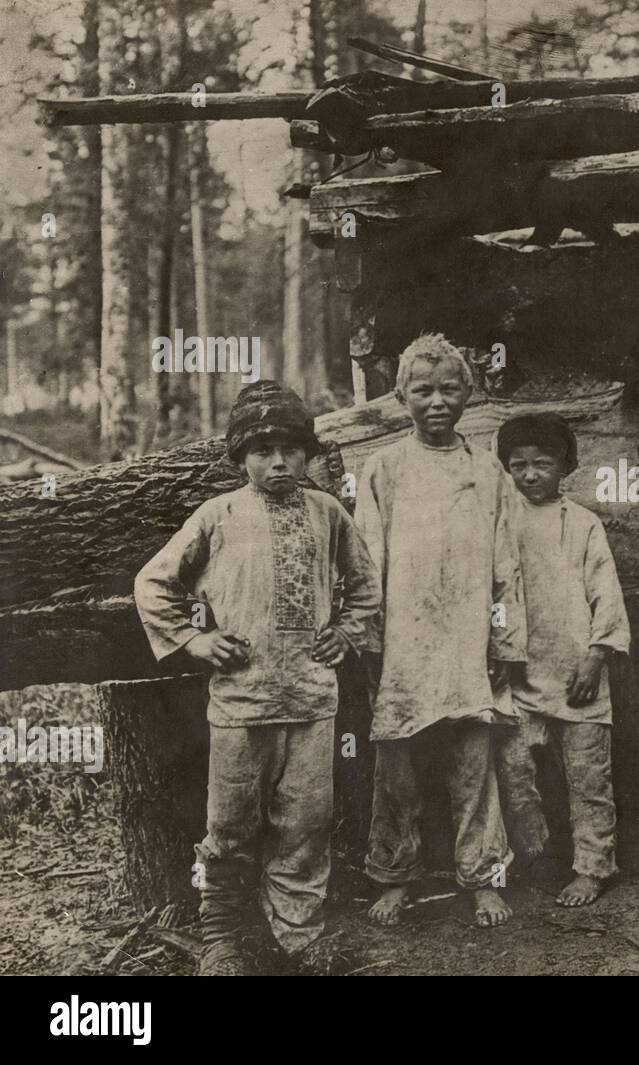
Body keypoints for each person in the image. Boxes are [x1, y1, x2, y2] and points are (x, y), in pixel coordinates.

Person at [134, 380, 381, 975]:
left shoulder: (328, 513)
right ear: (240, 457)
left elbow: (367, 585)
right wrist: (196, 639)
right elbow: (153, 582)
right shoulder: (218, 515)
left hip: (311, 699)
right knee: (230, 825)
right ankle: (221, 937)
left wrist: (346, 631)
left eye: (292, 449)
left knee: (307, 823)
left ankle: (299, 935)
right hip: (242, 703)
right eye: (263, 450)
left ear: (307, 454)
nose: (279, 462)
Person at [357, 334, 525, 929]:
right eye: (422, 390)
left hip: (466, 643)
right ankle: (394, 875)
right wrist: (371, 641)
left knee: (472, 763)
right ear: (401, 395)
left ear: (469, 394)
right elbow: (365, 563)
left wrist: (503, 640)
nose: (436, 401)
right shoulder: (383, 468)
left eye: (449, 389)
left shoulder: (486, 469)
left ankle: (482, 877)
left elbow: (505, 565)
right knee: (397, 765)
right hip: (404, 642)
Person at [492, 413, 630, 907]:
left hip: (577, 675)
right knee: (514, 772)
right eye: (518, 465)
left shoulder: (584, 524)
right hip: (520, 676)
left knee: (588, 776)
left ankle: (594, 866)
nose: (530, 475)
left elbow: (606, 596)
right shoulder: (500, 523)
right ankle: (536, 853)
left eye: (542, 463)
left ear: (564, 466)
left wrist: (596, 658)